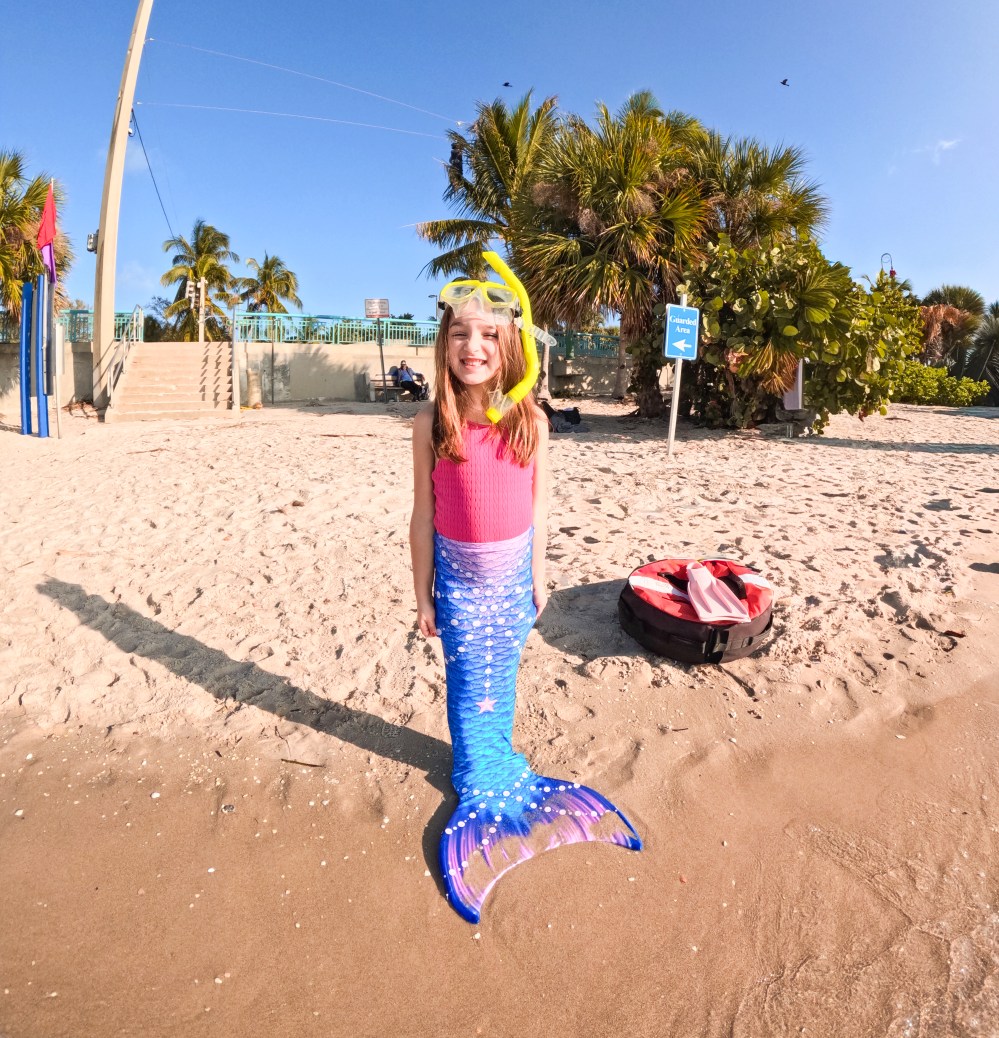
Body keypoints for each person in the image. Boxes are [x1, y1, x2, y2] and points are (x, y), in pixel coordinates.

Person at [408, 261, 641, 922]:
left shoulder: (529, 421)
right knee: (466, 685)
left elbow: (539, 508)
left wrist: (538, 578)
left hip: (512, 580)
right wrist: (423, 595)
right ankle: (478, 783)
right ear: (443, 344)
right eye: (459, 333)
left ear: (509, 346)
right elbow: (420, 518)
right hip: (457, 579)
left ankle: (501, 771)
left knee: (500, 680)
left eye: (487, 333)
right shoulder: (431, 424)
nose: (472, 346)